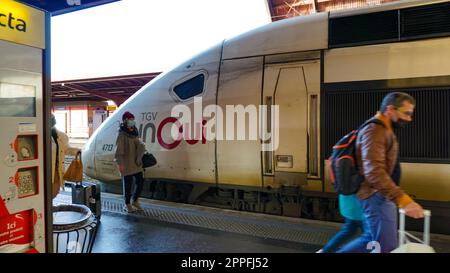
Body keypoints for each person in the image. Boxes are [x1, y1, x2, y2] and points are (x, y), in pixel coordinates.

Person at [338, 92, 424, 253]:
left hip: (379, 195)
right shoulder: (375, 130)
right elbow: (374, 171)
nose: (409, 119)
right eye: (406, 113)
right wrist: (403, 200)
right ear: (390, 109)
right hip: (376, 196)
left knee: (371, 239)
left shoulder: (382, 129)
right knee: (385, 246)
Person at [114, 111, 146, 213]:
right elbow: (119, 151)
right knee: (128, 184)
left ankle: (135, 200)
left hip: (136, 163)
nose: (132, 121)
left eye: (133, 119)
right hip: (126, 163)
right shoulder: (122, 134)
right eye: (130, 119)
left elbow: (138, 144)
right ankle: (127, 204)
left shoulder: (134, 132)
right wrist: (120, 164)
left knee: (140, 181)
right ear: (125, 120)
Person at [51, 113, 81, 199]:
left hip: (56, 171)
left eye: (53, 119)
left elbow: (66, 149)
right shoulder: (39, 134)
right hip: (43, 172)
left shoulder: (61, 136)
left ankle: (48, 210)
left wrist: (77, 151)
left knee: (54, 192)